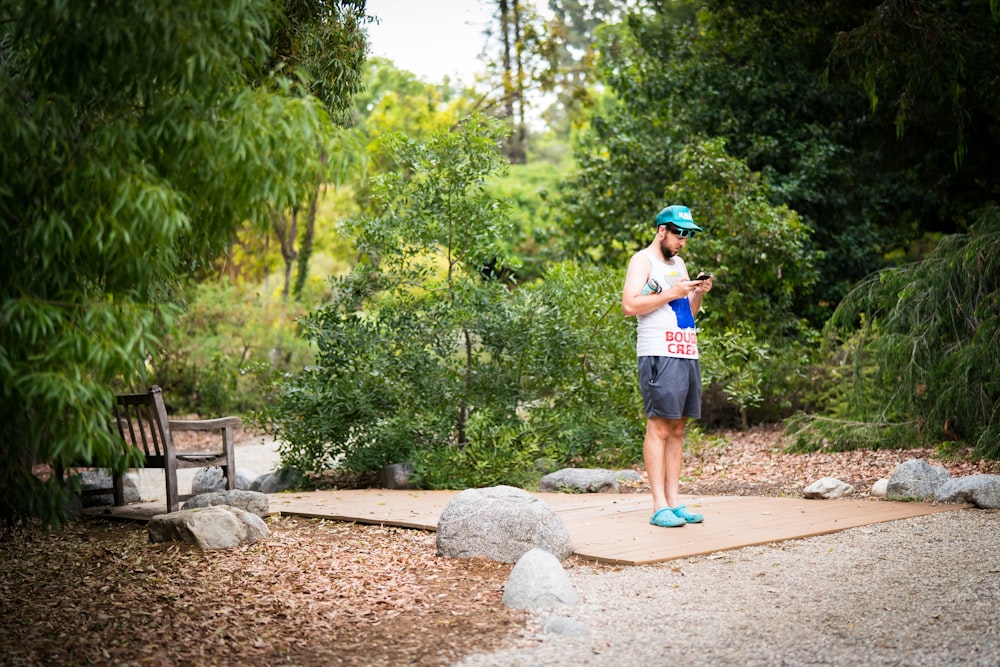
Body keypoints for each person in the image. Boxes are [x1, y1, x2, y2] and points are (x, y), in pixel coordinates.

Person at [621, 204, 713, 528]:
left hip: (686, 351)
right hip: (658, 353)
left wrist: (697, 293)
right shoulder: (642, 261)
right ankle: (658, 505)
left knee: (678, 428)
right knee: (659, 427)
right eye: (678, 233)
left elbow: (687, 311)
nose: (682, 241)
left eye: (687, 235)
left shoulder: (680, 263)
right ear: (662, 230)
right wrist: (670, 292)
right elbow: (630, 305)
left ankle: (674, 502)